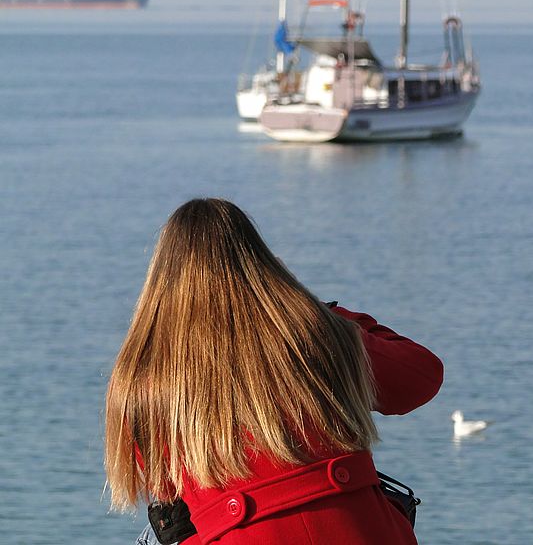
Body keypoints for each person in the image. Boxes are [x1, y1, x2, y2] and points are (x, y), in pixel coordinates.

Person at [105, 198, 443, 544]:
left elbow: (165, 487)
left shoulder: (139, 376)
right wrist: (310, 308)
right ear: (261, 264)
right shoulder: (312, 335)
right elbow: (420, 378)